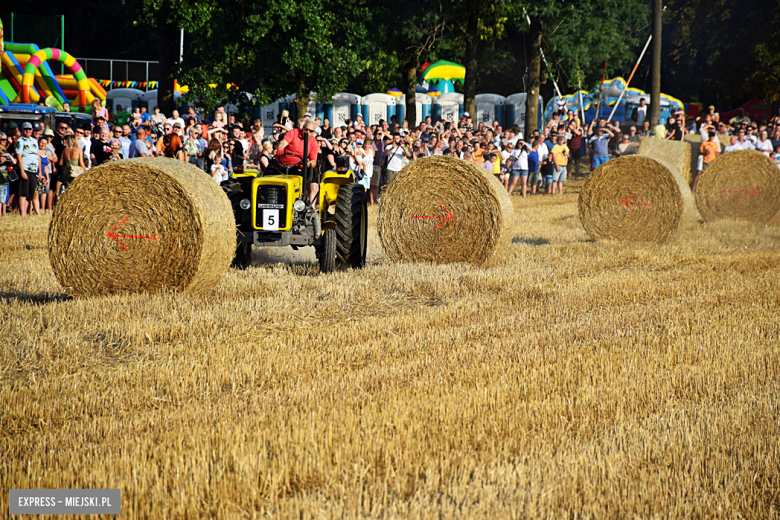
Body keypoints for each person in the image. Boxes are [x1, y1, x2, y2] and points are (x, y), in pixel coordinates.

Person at [15, 122, 41, 217]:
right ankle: (23, 213)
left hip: (33, 170)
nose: (28, 131)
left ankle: (26, 211)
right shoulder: (20, 141)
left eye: (30, 129)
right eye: (26, 129)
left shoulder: (34, 141)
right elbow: (19, 157)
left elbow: (37, 156)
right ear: (22, 130)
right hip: (25, 169)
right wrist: (22, 171)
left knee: (30, 192)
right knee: (23, 192)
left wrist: (39, 171)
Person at [0, 133, 18, 215]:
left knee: (5, 196)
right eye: (3, 139)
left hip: (5, 179)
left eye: (5, 139)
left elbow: (14, 162)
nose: (5, 141)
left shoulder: (4, 149)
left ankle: (4, 212)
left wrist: (7, 156)